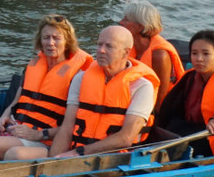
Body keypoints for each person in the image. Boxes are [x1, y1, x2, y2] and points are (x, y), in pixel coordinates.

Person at [0, 15, 92, 172]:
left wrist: (38, 134)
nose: (50, 43)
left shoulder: (79, 75)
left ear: (67, 42)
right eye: (46, 38)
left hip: (46, 140)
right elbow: (16, 102)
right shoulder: (34, 66)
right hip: (18, 130)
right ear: (40, 41)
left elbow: (77, 125)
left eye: (56, 38)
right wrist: (4, 116)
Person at [40, 26, 158, 160]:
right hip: (77, 151)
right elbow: (67, 127)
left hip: (114, 158)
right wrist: (53, 161)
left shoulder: (142, 86)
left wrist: (79, 153)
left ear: (126, 52)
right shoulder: (81, 78)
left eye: (109, 46)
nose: (101, 50)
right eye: (99, 44)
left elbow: (126, 138)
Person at [152, 30, 214, 157]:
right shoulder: (191, 77)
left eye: (206, 54)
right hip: (192, 130)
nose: (199, 59)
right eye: (194, 53)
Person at [118, 0, 185, 108]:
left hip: (158, 109)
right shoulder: (128, 46)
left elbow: (161, 96)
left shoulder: (160, 55)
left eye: (126, 20)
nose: (120, 22)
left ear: (140, 27)